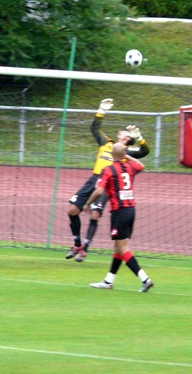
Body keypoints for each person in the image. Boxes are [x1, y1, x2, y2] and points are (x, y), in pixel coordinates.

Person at [66, 98, 150, 263]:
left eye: (124, 133)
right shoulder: (107, 143)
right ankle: (77, 244)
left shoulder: (127, 151)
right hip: (93, 179)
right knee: (72, 210)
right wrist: (101, 111)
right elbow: (94, 128)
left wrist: (139, 137)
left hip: (108, 182)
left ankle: (85, 249)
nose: (121, 132)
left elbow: (145, 151)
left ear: (127, 139)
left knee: (95, 214)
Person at [85, 143, 154, 292]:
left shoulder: (108, 170)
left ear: (111, 155)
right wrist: (125, 156)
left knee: (123, 248)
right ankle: (108, 281)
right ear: (124, 155)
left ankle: (145, 279)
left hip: (119, 212)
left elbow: (99, 191)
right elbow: (141, 165)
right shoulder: (129, 167)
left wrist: (88, 203)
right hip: (131, 210)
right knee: (118, 247)